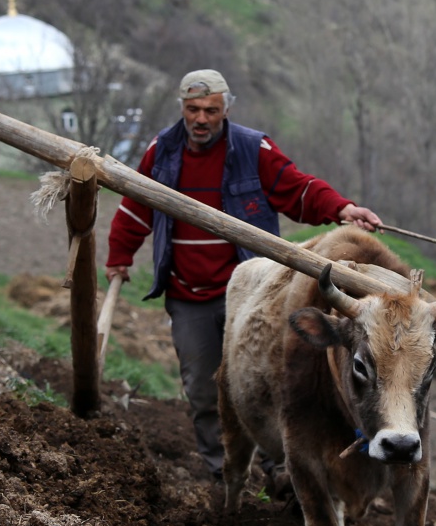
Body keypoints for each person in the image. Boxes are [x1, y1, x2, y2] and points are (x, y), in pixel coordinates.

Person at [106, 69, 381, 480]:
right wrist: (119, 255)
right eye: (193, 109)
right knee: (202, 387)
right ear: (182, 107)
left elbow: (297, 189)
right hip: (188, 294)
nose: (201, 119)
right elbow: (136, 205)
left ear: (225, 110)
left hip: (252, 295)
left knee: (265, 384)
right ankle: (222, 473)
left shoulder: (254, 149)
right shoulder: (162, 151)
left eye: (211, 111)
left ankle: (278, 471)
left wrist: (341, 209)